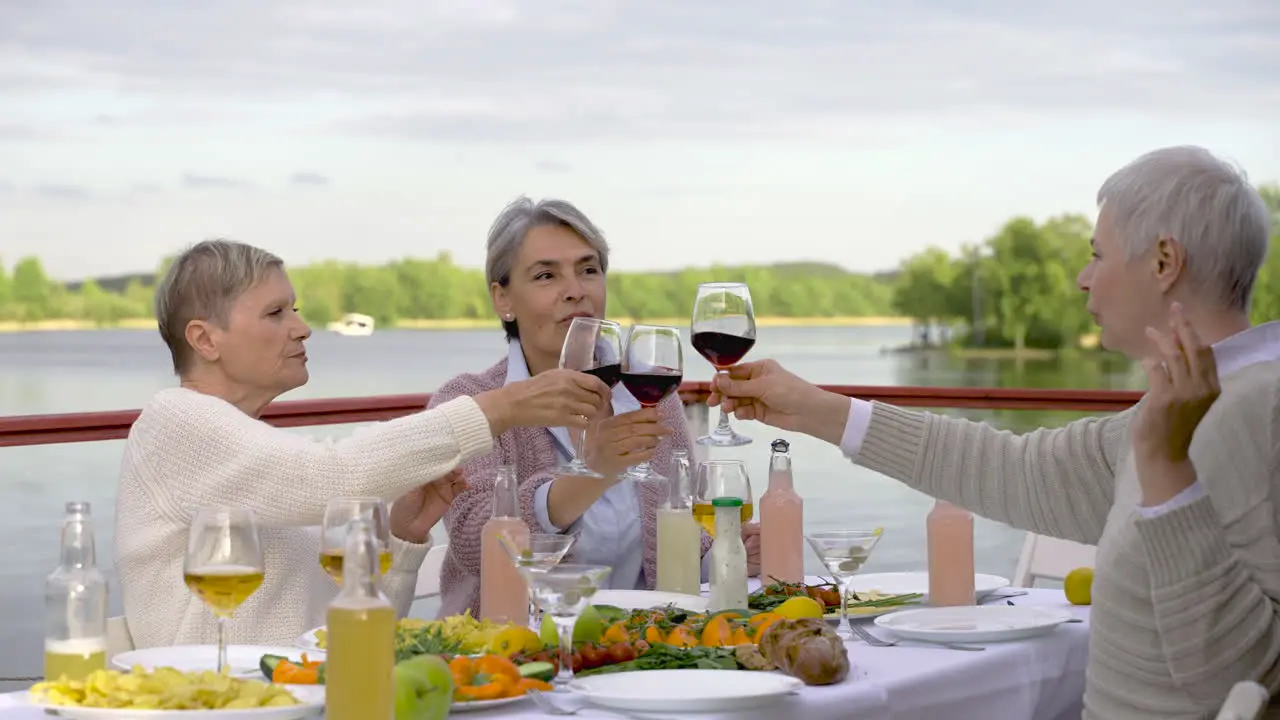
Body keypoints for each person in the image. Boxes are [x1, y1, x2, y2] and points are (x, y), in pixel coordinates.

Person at [709, 146, 1280, 719]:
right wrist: (813, 409)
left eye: (1097, 255)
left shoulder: (1259, 414)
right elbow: (1020, 471)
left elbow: (1251, 678)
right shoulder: (1190, 406)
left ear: (1162, 262)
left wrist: (1169, 480)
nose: (1083, 280)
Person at [115, 239, 612, 649]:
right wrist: (503, 406)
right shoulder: (174, 423)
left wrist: (402, 536)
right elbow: (330, 476)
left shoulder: (245, 449)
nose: (301, 327)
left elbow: (355, 637)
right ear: (204, 340)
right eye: (275, 313)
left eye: (295, 309)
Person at [431, 196, 761, 618]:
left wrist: (731, 554)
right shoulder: (469, 402)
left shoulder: (651, 396)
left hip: (638, 649)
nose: (575, 291)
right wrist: (592, 473)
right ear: (503, 299)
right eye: (546, 275)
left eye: (589, 270)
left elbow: (675, 553)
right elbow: (475, 541)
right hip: (511, 657)